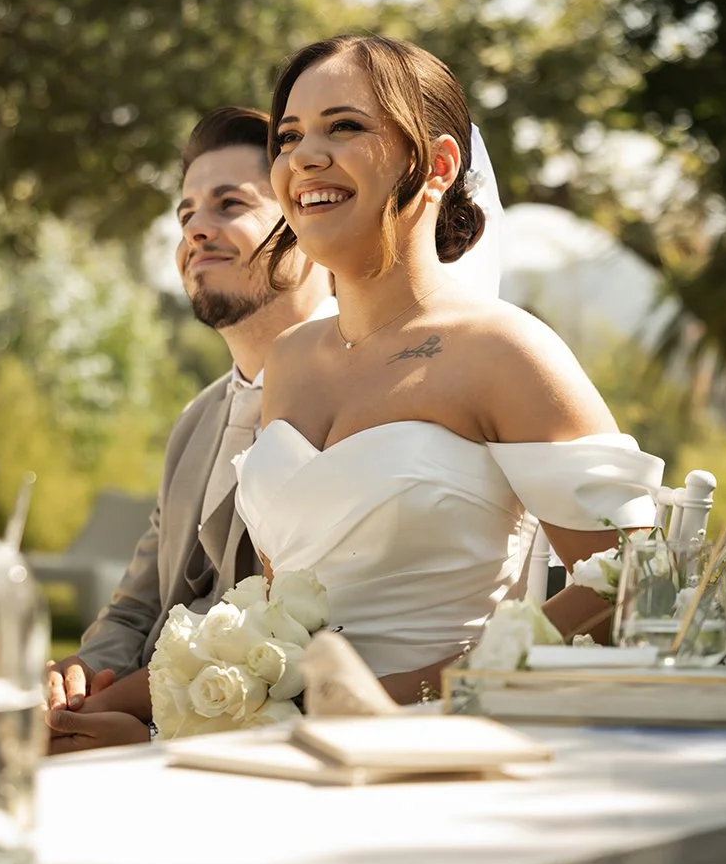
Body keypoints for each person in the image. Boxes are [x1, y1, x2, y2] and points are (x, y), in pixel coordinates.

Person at [45, 101, 509, 748]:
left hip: (272, 730)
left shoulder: (383, 403)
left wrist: (148, 727)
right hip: (153, 715)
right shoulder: (196, 420)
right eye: (186, 214)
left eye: (229, 205)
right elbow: (137, 606)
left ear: (308, 218)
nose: (195, 231)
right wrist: (85, 678)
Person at [233, 33, 662, 703]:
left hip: (443, 743)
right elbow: (278, 596)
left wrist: (432, 690)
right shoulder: (289, 361)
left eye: (344, 127)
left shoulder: (501, 350)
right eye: (287, 139)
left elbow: (638, 576)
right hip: (280, 743)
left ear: (436, 166)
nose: (304, 158)